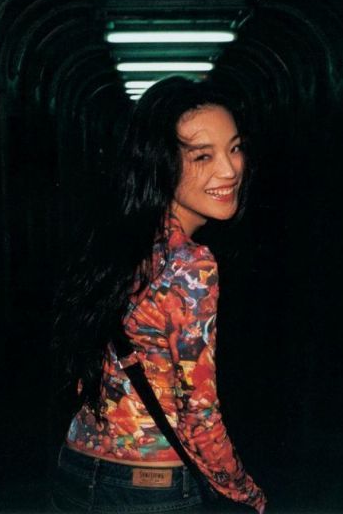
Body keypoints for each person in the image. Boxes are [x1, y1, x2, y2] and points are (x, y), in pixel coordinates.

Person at [52, 76, 267, 513]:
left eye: (235, 148)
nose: (230, 170)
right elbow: (199, 418)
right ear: (159, 163)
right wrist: (246, 492)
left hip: (76, 467)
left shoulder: (118, 243)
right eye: (202, 156)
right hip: (149, 487)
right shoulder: (193, 265)